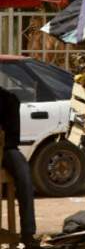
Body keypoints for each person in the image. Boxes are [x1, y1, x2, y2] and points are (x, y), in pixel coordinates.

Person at [0, 86, 38, 248]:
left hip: (6, 150)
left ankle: (27, 233)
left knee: (24, 175)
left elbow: (13, 137)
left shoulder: (8, 99)